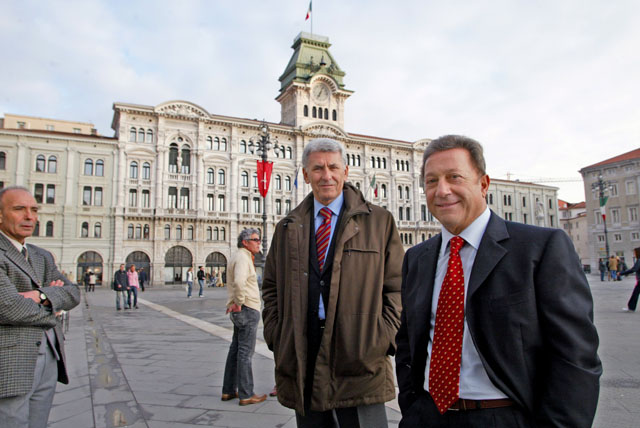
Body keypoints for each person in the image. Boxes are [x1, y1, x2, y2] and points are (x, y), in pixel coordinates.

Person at [395, 135, 602, 427]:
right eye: (431, 181)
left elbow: (574, 356)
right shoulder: (417, 258)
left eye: (454, 177)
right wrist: (412, 406)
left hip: (502, 415)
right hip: (427, 415)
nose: (442, 190)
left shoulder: (540, 248)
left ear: (483, 184)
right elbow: (408, 341)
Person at [262, 138, 404, 427]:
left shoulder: (379, 221)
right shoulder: (287, 227)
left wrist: (382, 337)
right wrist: (277, 334)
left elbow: (398, 286)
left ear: (345, 171)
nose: (326, 175)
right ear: (305, 175)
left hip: (361, 353)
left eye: (333, 167)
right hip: (303, 352)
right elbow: (271, 287)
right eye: (317, 168)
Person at [0, 186, 81, 428]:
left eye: (34, 210)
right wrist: (53, 307)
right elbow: (9, 307)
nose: (29, 216)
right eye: (19, 209)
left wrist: (39, 295)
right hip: (10, 362)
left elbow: (73, 293)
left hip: (49, 357)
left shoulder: (41, 255)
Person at [221, 228, 267, 406]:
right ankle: (246, 394)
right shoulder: (243, 257)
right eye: (255, 240)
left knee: (235, 350)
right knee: (245, 353)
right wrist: (239, 302)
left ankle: (228, 390)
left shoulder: (238, 256)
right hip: (247, 308)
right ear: (245, 242)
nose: (259, 242)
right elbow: (239, 282)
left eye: (259, 239)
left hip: (240, 309)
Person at [621, 247, 640, 312]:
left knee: (635, 294)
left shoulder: (639, 260)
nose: (634, 254)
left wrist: (622, 273)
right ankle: (631, 307)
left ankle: (631, 307)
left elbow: (633, 269)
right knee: (635, 294)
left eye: (634, 252)